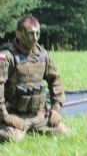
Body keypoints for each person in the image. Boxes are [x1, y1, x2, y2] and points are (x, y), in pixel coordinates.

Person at [0, 15, 69, 143]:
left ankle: (33, 127)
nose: (35, 38)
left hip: (38, 114)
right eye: (31, 33)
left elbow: (55, 79)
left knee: (62, 131)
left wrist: (55, 109)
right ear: (18, 34)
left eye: (37, 33)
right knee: (13, 139)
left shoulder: (42, 55)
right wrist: (5, 116)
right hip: (14, 113)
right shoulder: (7, 57)